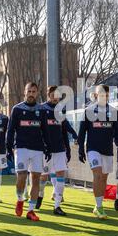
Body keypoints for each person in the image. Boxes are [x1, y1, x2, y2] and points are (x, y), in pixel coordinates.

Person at [78, 84, 118, 219]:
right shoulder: (88, 111)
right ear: (96, 95)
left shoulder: (113, 112)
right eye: (101, 94)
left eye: (106, 95)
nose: (104, 97)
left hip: (107, 150)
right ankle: (99, 207)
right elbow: (82, 131)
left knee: (104, 178)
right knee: (98, 174)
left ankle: (97, 207)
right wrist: (80, 149)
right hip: (93, 149)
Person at [7, 82, 51, 221]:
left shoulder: (42, 110)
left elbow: (45, 130)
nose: (31, 94)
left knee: (35, 178)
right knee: (21, 177)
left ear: (37, 93)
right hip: (21, 148)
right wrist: (8, 147)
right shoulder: (17, 109)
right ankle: (20, 199)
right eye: (29, 91)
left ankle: (31, 210)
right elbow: (11, 129)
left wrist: (48, 147)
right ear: (24, 92)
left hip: (37, 149)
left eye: (34, 91)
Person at [37, 86, 77, 216]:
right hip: (46, 149)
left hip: (60, 148)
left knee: (61, 175)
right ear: (48, 94)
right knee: (43, 176)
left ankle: (57, 206)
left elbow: (65, 128)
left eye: (58, 95)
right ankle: (40, 194)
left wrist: (73, 139)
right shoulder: (42, 109)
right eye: (53, 95)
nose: (56, 97)